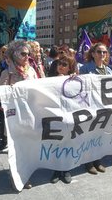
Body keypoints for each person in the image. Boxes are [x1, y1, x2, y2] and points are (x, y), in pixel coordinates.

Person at [0, 40, 37, 189]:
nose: (27, 56)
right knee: (16, 147)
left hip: (28, 114)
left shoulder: (31, 71)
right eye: (23, 53)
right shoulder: (7, 72)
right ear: (14, 55)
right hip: (14, 117)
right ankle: (17, 175)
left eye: (28, 53)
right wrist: (11, 92)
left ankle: (25, 173)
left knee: (27, 146)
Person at [79, 42, 112, 175]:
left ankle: (98, 160)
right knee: (90, 134)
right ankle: (88, 162)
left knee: (100, 134)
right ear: (93, 54)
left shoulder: (109, 70)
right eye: (99, 52)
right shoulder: (85, 68)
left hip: (104, 107)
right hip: (90, 106)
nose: (102, 54)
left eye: (104, 52)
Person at [49, 55, 77, 184]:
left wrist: (73, 80)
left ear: (70, 68)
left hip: (69, 115)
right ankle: (56, 170)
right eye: (59, 63)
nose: (61, 66)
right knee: (56, 142)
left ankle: (66, 169)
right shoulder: (49, 79)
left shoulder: (74, 80)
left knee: (68, 142)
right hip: (55, 114)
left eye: (65, 64)